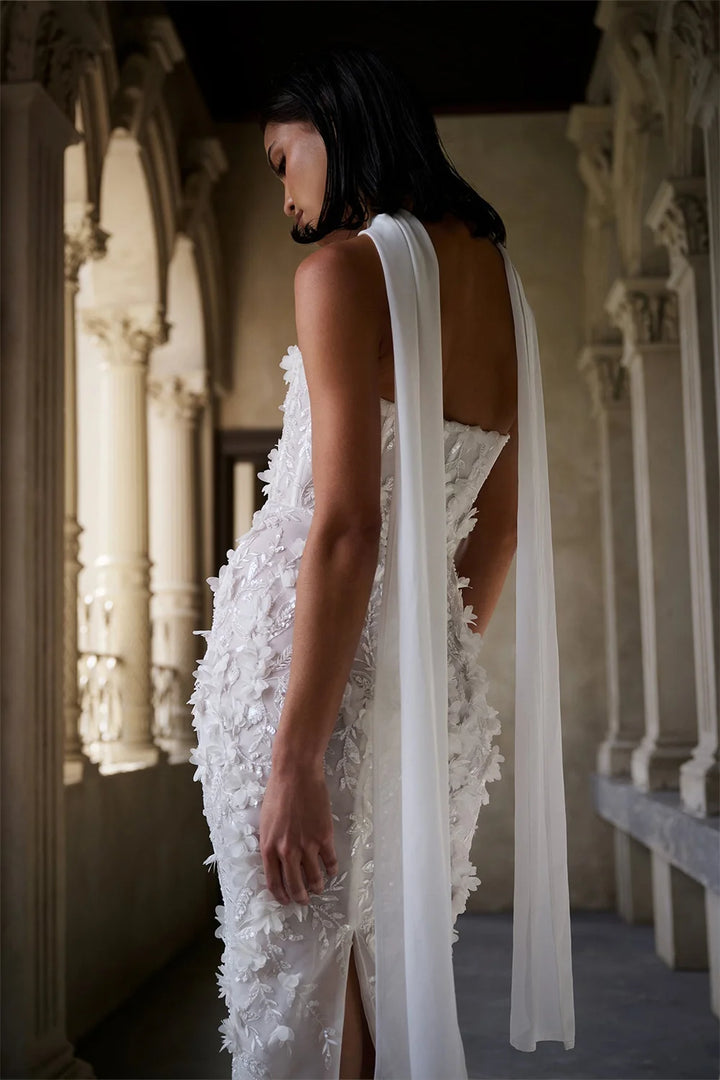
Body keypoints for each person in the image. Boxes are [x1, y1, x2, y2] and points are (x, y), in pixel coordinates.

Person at [189, 43, 574, 1080]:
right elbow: (495, 533)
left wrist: (298, 753)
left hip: (304, 694)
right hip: (416, 689)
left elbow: (349, 524)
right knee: (372, 970)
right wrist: (419, 668)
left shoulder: (343, 272)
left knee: (303, 981)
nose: (283, 190)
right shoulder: (502, 288)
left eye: (283, 159)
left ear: (335, 123)